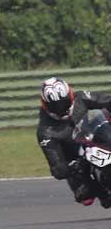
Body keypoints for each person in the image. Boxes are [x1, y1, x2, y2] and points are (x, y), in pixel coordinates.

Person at [37, 76, 111, 206]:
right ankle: (104, 195)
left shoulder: (81, 98)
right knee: (86, 197)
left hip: (99, 141)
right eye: (55, 106)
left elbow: (107, 101)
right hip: (78, 164)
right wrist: (73, 166)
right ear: (45, 104)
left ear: (70, 95)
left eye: (64, 102)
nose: (61, 108)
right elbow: (57, 169)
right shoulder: (45, 132)